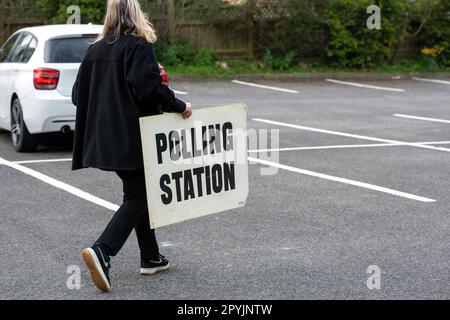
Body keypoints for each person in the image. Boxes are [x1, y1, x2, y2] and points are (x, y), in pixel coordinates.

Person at [71, 0, 192, 293]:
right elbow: (148, 88)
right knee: (139, 195)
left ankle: (151, 257)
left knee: (140, 193)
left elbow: (77, 95)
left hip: (103, 140)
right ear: (136, 14)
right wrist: (179, 106)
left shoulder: (94, 50)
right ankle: (103, 250)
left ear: (110, 15)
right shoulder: (137, 46)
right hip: (132, 138)